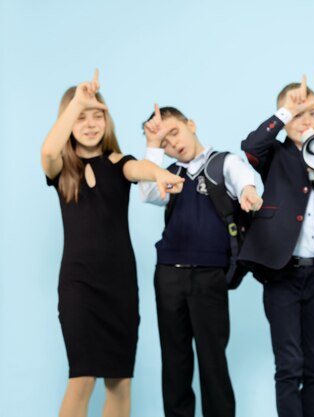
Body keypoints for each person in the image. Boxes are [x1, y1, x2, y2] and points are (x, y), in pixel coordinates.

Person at [41, 70, 184, 417]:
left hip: (119, 286)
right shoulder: (61, 169)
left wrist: (161, 173)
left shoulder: (118, 162)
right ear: (68, 121)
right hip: (78, 285)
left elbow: (139, 171)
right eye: (80, 118)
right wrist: (78, 99)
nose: (90, 124)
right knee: (82, 378)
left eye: (97, 116)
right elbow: (48, 150)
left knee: (120, 383)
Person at [239, 76, 314, 417]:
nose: (307, 121)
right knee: (288, 364)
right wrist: (286, 110)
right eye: (300, 115)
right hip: (282, 273)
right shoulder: (274, 154)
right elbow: (250, 145)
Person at [138, 104, 262, 417]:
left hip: (209, 275)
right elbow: (150, 193)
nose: (173, 144)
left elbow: (245, 178)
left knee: (212, 360)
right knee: (175, 361)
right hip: (168, 275)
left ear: (190, 124)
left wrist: (248, 191)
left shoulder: (222, 162)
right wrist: (152, 147)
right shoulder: (169, 174)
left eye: (174, 132)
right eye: (164, 143)